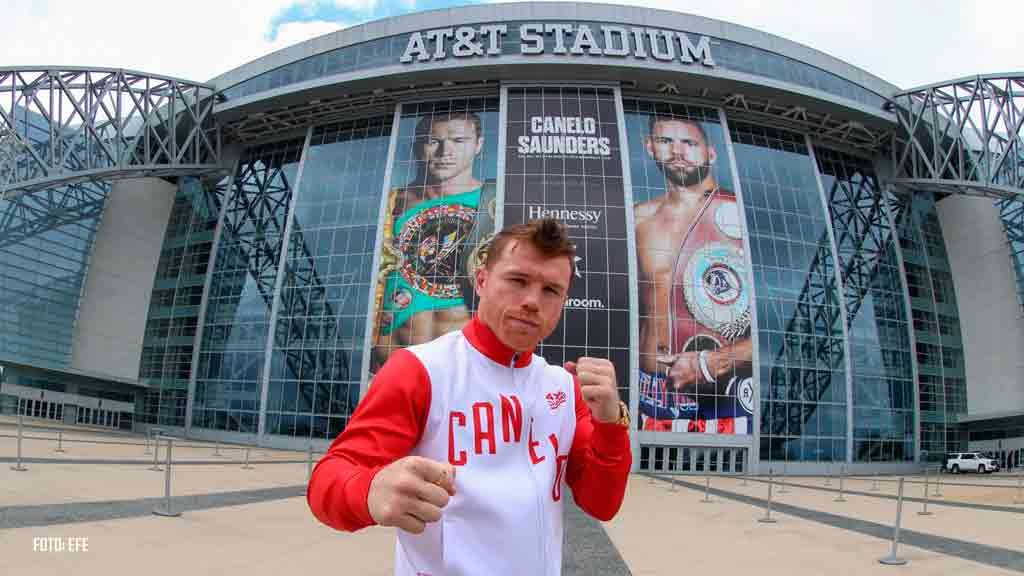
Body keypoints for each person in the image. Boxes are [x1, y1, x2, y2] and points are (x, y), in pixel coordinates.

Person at [308, 219, 632, 576]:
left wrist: (610, 423)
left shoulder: (564, 388)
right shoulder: (420, 370)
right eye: (517, 281)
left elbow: (601, 504)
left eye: (551, 290)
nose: (531, 302)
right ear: (482, 281)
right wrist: (367, 490)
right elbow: (328, 480)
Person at [633, 116, 754, 433]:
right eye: (665, 142)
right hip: (650, 392)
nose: (677, 151)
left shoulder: (738, 215)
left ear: (710, 153)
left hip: (720, 392)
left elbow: (772, 328)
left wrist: (711, 364)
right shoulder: (638, 218)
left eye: (689, 143)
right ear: (649, 148)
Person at [372, 111, 496, 372]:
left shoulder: (496, 201)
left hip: (463, 370)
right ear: (419, 147)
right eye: (433, 141)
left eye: (458, 141)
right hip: (391, 367)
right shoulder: (392, 202)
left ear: (478, 145)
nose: (444, 152)